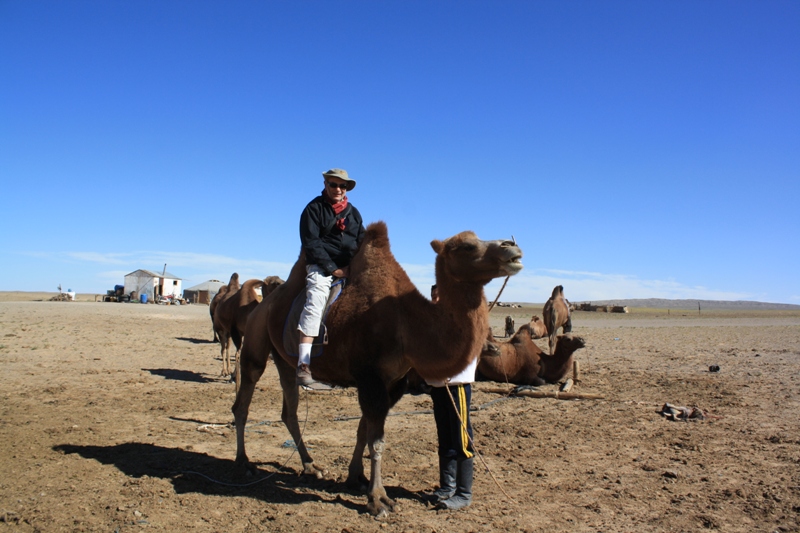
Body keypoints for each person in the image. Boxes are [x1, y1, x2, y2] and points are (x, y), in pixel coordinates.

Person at [296, 168, 365, 388]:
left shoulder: (353, 213)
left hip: (351, 267)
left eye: (342, 186)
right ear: (325, 184)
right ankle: (303, 365)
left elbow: (361, 240)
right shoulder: (314, 209)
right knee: (315, 302)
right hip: (322, 267)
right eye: (333, 184)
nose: (338, 189)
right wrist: (334, 269)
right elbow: (311, 243)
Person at [425, 284, 476, 510]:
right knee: (445, 436)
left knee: (461, 439)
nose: (436, 302)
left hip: (457, 385)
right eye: (434, 297)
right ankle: (447, 486)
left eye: (440, 298)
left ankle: (463, 493)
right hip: (438, 387)